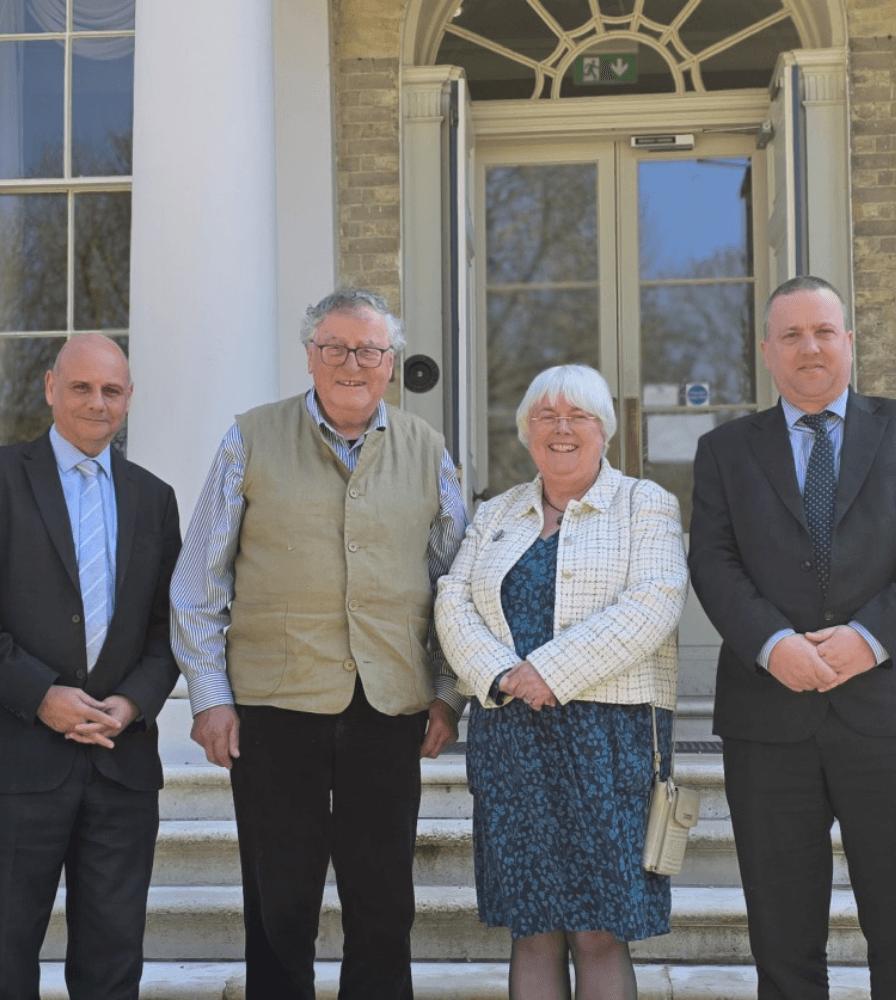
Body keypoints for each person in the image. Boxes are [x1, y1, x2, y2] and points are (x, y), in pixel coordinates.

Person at [170, 287, 466, 999]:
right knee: (280, 901)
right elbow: (197, 583)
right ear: (310, 356)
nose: (351, 362)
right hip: (273, 707)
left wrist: (449, 694)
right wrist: (209, 697)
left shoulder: (428, 449)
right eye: (334, 347)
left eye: (368, 349)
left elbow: (457, 584)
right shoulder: (250, 437)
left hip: (389, 706)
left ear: (390, 363)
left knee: (384, 903)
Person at [435, 364, 688, 1000]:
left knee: (600, 928)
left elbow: (654, 602)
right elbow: (452, 598)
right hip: (511, 741)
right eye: (545, 417)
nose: (561, 428)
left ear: (604, 429)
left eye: (577, 415)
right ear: (526, 433)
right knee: (533, 927)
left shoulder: (645, 503)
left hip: (610, 742)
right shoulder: (496, 512)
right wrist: (498, 674)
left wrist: (550, 670)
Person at [688, 275, 896, 998]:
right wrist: (776, 644)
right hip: (768, 721)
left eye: (823, 332)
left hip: (885, 714)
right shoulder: (723, 451)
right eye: (791, 335)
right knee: (782, 941)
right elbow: (711, 561)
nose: (809, 347)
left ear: (848, 340)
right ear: (767, 351)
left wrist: (870, 637)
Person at [0, 334, 181, 1000]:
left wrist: (132, 703)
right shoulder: (4, 478)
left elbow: (169, 630)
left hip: (120, 764)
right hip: (17, 762)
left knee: (112, 962)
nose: (96, 403)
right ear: (51, 388)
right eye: (81, 387)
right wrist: (41, 693)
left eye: (111, 390)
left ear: (128, 399)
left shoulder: (154, 499)